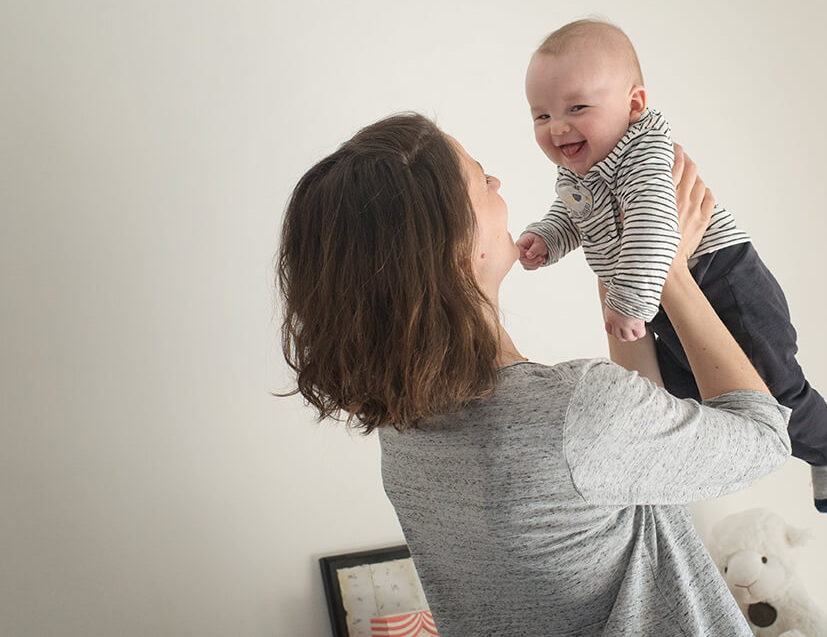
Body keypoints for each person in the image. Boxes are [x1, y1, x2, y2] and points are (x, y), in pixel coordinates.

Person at [278, 112, 793, 636]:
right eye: (481, 180)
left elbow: (632, 457)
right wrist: (673, 270)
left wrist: (622, 267)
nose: (496, 182)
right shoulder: (578, 414)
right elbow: (766, 437)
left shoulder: (406, 432)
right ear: (460, 252)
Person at [516, 19, 827, 512]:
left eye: (577, 108)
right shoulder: (577, 170)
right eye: (541, 116)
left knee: (772, 391)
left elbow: (654, 225)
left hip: (720, 278)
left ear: (633, 105)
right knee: (683, 399)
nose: (557, 127)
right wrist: (548, 237)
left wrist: (627, 302)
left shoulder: (642, 153)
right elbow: (573, 213)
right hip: (658, 298)